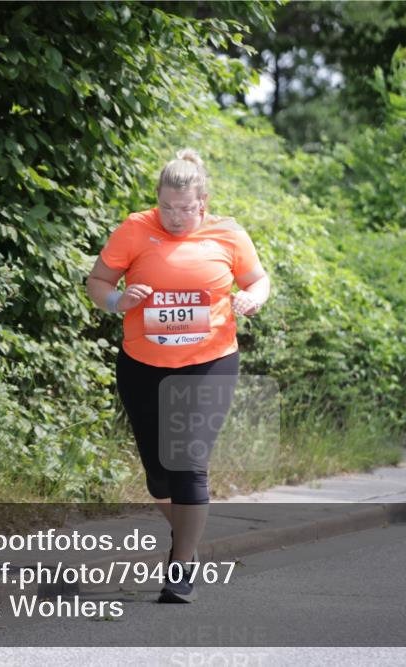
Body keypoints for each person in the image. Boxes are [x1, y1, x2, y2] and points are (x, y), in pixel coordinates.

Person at [86, 149, 270, 602]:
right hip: (143, 365)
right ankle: (191, 539)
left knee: (188, 461)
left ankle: (181, 565)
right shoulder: (134, 229)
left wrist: (253, 299)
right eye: (166, 206)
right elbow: (98, 283)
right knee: (159, 477)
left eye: (185, 208)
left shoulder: (227, 233)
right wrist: (118, 302)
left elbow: (257, 280)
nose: (174, 216)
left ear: (203, 202)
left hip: (209, 363)